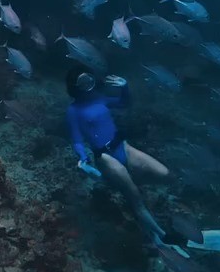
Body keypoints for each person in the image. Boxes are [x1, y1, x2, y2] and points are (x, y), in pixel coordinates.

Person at [65, 68, 169, 239]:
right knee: (135, 199)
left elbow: (123, 103)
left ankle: (125, 185)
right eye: (82, 83)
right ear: (75, 86)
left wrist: (125, 87)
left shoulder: (98, 98)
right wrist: (83, 159)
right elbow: (76, 140)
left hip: (122, 146)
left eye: (88, 80)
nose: (87, 85)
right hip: (105, 157)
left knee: (163, 173)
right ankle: (162, 237)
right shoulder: (73, 111)